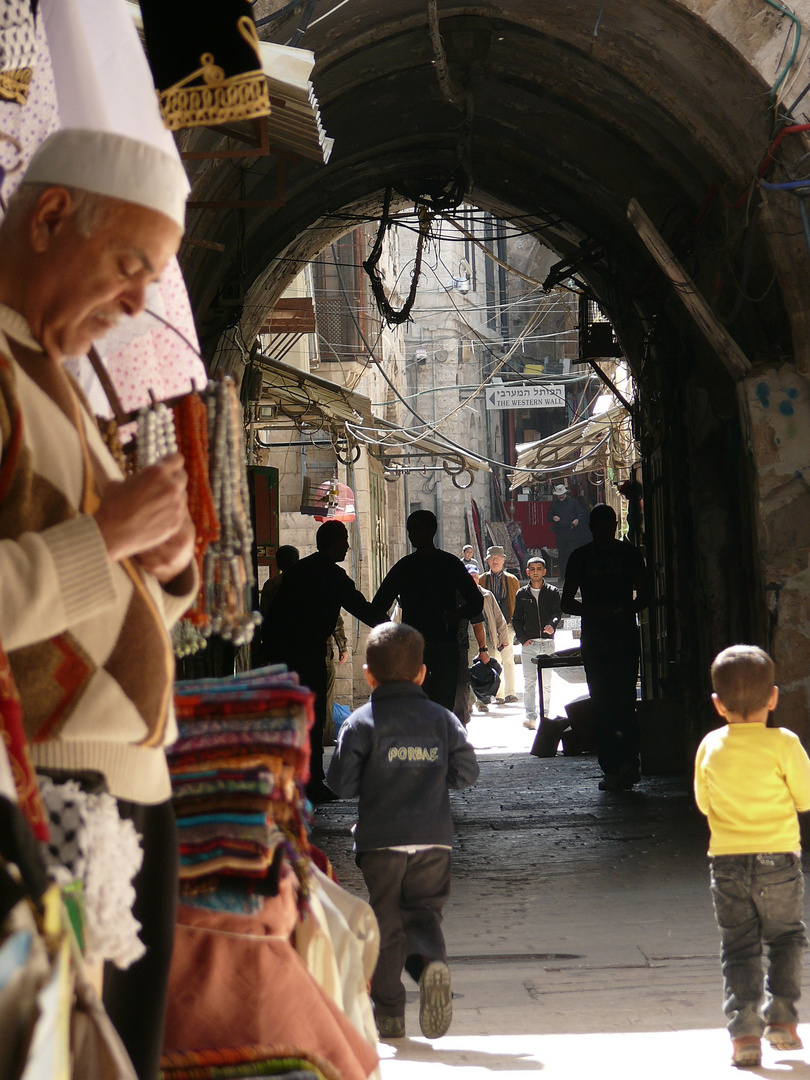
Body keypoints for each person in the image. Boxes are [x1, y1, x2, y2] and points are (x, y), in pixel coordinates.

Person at [0, 129, 197, 1080]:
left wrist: (162, 561)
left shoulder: (57, 377)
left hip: (126, 790)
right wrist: (110, 536)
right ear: (49, 219)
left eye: (153, 276)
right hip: (51, 797)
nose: (136, 301)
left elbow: (96, 567)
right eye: (128, 264)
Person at [326, 622, 479, 1041]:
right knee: (425, 912)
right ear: (423, 673)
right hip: (434, 838)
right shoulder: (442, 719)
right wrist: (431, 776)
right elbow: (467, 773)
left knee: (386, 923)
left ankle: (391, 1013)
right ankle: (432, 966)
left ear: (368, 676)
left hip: (380, 842)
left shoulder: (359, 724)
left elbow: (340, 785)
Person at [694, 645, 810, 1068]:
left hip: (726, 862)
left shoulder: (710, 746)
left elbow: (705, 805)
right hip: (779, 859)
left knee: (739, 948)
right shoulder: (785, 743)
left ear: (717, 703)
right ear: (773, 698)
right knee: (785, 936)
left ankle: (744, 1033)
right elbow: (805, 797)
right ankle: (782, 1019)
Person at [261, 520, 381, 803]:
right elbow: (360, 607)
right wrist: (393, 628)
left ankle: (292, 777)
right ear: (334, 542)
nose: (348, 546)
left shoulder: (299, 572)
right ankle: (311, 781)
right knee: (312, 718)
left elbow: (274, 616)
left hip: (284, 655)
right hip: (308, 654)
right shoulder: (332, 575)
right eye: (344, 540)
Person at [561, 504, 649, 790]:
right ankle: (619, 764)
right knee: (613, 701)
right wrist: (612, 610)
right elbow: (566, 601)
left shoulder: (589, 557)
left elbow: (645, 594)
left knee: (613, 701)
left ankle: (621, 764)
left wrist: (599, 611)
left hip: (608, 637)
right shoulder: (622, 555)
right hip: (609, 637)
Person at [373, 510, 485, 711]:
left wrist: (458, 614)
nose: (411, 535)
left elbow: (476, 602)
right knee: (426, 706)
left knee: (435, 706)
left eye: (416, 529)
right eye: (409, 530)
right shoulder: (440, 564)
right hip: (424, 648)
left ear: (430, 531)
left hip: (439, 646)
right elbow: (378, 607)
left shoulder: (427, 565)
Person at [512, 556, 562, 730]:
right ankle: (531, 717)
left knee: (546, 682)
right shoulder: (522, 594)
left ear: (544, 571)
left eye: (538, 568)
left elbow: (557, 612)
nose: (535, 572)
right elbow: (516, 619)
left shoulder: (553, 592)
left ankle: (545, 715)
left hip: (547, 643)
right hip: (530, 644)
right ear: (527, 572)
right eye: (532, 569)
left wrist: (552, 624)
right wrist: (523, 639)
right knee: (530, 682)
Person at [465, 563, 509, 714]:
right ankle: (470, 702)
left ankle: (482, 701)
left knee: (486, 671)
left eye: (475, 576)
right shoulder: (461, 596)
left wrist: (503, 636)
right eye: (470, 576)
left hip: (488, 639)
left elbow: (498, 618)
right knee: (470, 672)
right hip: (470, 640)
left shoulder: (487, 595)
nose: (473, 579)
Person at [478, 545, 519, 704]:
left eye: (498, 558)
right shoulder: (482, 579)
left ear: (503, 560)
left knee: (508, 659)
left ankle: (510, 692)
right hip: (488, 626)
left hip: (507, 624)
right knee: (494, 658)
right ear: (487, 561)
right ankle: (499, 694)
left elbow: (515, 603)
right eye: (492, 558)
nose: (495, 561)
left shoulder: (511, 580)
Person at [549, 484, 586, 578]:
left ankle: (574, 574)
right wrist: (553, 517)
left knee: (573, 553)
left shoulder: (573, 502)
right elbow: (548, 516)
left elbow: (581, 514)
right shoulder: (554, 504)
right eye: (559, 495)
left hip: (572, 531)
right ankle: (563, 575)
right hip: (560, 532)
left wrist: (577, 520)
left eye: (562, 494)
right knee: (562, 554)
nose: (561, 496)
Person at [323, 612, 348, 746]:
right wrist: (342, 647)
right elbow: (336, 620)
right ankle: (326, 737)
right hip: (322, 653)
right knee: (326, 698)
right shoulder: (324, 591)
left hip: (292, 653)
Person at [259, 544, 299, 617]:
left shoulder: (272, 583)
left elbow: (264, 611)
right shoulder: (307, 581)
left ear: (278, 562)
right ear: (297, 561)